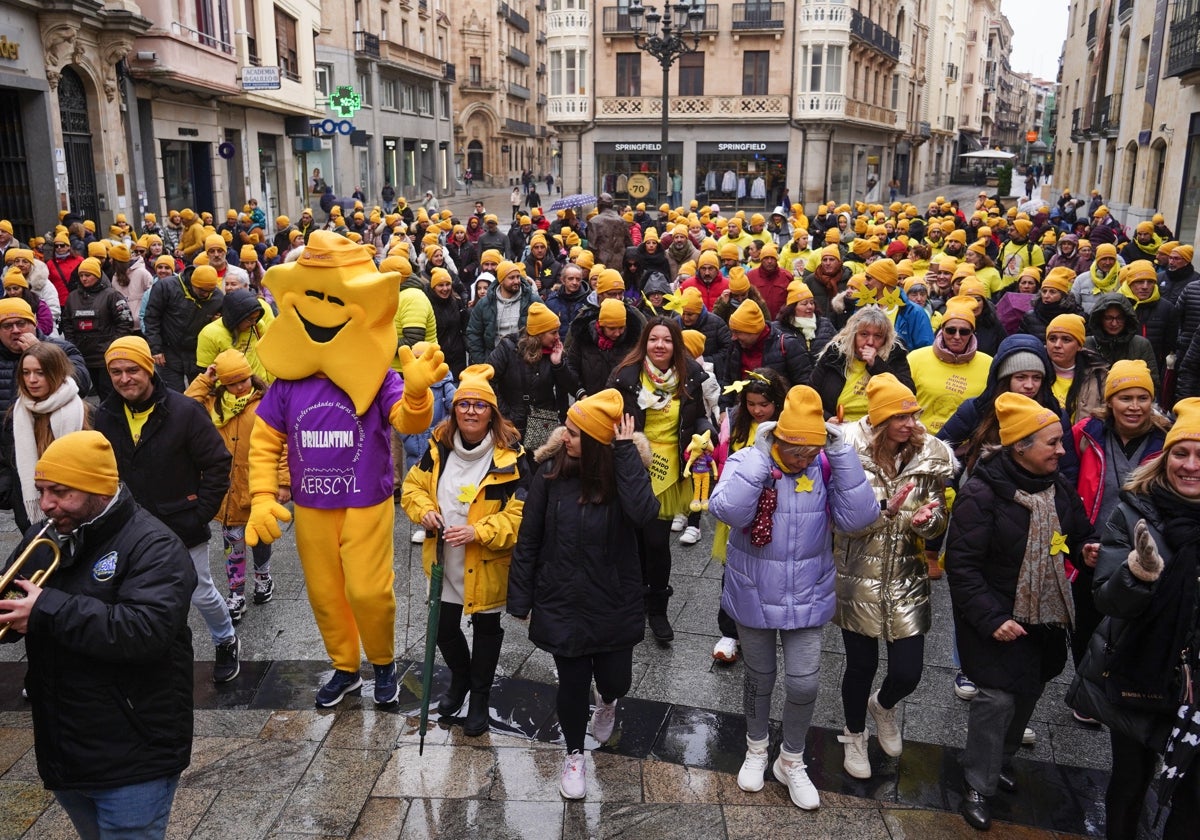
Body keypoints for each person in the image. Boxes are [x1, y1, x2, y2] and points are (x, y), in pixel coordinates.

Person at [245, 232, 448, 709]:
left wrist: (418, 394)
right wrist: (260, 495)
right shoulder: (286, 382)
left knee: (368, 591)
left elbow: (405, 420)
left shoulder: (377, 373)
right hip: (311, 504)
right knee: (325, 593)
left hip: (364, 499)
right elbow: (264, 438)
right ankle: (345, 667)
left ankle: (382, 664)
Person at [0, 431, 196, 840]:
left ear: (97, 490)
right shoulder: (47, 535)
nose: (48, 504)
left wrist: (44, 611)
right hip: (65, 747)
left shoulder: (156, 546)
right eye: (42, 491)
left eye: (60, 491)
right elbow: (15, 607)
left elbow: (145, 631)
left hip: (135, 753)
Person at [709, 385, 877, 809]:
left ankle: (792, 759)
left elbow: (860, 519)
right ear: (778, 436)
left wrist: (840, 453)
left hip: (808, 591)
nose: (802, 459)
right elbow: (727, 511)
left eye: (811, 449)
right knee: (759, 677)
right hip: (754, 590)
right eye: (794, 449)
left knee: (804, 682)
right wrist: (762, 458)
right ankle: (755, 749)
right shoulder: (749, 459)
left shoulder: (824, 466)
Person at [946, 392, 1098, 831]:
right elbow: (963, 566)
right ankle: (977, 782)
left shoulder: (1057, 488)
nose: (1061, 450)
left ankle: (999, 762)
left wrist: (1086, 552)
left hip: (1043, 617)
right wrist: (993, 620)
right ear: (1020, 447)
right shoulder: (980, 493)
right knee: (997, 698)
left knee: (1029, 691)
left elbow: (1078, 534)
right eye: (1051, 443)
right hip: (993, 618)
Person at [508, 389, 657, 798]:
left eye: (573, 433)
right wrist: (520, 598)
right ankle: (574, 754)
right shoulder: (551, 474)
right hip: (562, 599)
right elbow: (530, 537)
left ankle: (607, 702)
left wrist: (625, 453)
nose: (564, 436)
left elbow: (644, 514)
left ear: (594, 442)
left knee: (616, 680)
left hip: (613, 598)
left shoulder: (624, 473)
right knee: (571, 684)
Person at [1084, 398, 1200, 839]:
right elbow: (1108, 602)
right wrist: (1137, 574)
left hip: (1197, 685)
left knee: (1193, 800)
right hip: (1140, 674)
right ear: (1165, 457)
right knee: (1130, 784)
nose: (1190, 466)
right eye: (1181, 453)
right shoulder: (1134, 511)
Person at [95, 336, 239, 684]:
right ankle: (147, 650)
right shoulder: (106, 414)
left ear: (149, 368)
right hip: (129, 526)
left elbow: (218, 463)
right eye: (116, 372)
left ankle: (225, 640)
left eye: (132, 370)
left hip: (181, 521)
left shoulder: (184, 410)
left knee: (200, 590)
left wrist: (199, 513)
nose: (124, 378)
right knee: (133, 592)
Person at [834, 374, 953, 778]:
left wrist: (928, 520)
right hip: (857, 574)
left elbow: (939, 520)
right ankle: (853, 736)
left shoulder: (928, 457)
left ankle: (882, 706)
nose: (912, 424)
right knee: (860, 665)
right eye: (902, 418)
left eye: (915, 415)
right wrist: (884, 511)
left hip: (907, 575)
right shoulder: (848, 454)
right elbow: (841, 523)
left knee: (908, 671)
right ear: (881, 421)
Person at [401, 365, 529, 736]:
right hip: (443, 559)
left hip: (485, 560)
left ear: (492, 412)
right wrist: (423, 510)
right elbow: (413, 489)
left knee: (486, 629)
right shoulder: (437, 448)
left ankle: (479, 696)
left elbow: (522, 515)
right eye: (464, 404)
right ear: (454, 409)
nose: (471, 411)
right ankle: (460, 678)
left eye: (480, 405)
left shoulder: (511, 459)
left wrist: (479, 531)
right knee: (443, 629)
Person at [609, 316, 714, 642]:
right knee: (633, 540)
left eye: (667, 340)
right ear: (645, 342)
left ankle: (657, 608)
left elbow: (699, 419)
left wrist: (703, 436)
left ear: (676, 345)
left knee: (656, 541)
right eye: (654, 339)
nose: (660, 345)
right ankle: (633, 601)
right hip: (633, 464)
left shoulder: (690, 377)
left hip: (670, 469)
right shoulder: (625, 377)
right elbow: (608, 415)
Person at [185, 349, 288, 622]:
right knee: (233, 543)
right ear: (223, 383)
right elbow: (183, 408)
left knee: (261, 535)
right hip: (226, 488)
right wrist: (205, 380)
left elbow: (282, 443)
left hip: (257, 484)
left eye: (243, 379)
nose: (240, 386)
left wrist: (284, 481)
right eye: (232, 382)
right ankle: (236, 591)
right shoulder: (211, 404)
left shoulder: (266, 402)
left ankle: (263, 578)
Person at [710, 367, 789, 662]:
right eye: (751, 404)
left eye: (764, 405)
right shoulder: (736, 423)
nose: (757, 410)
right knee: (733, 572)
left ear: (778, 403)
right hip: (741, 511)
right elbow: (725, 458)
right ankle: (729, 633)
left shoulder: (789, 426)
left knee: (770, 573)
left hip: (776, 512)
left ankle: (763, 628)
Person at [1, 342, 91, 533]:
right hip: (31, 514)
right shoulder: (16, 414)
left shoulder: (83, 413)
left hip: (79, 514)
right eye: (26, 373)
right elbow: (6, 459)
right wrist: (12, 496)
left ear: (55, 372)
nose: (31, 379)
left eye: (40, 372)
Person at [810, 306, 914, 421]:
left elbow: (908, 393)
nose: (870, 342)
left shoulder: (894, 355)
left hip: (879, 428)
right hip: (839, 425)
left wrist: (877, 365)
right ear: (853, 335)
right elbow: (810, 395)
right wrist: (826, 418)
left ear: (885, 339)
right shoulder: (835, 354)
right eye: (864, 334)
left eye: (878, 336)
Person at [489, 301, 570, 447]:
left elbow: (568, 386)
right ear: (539, 333)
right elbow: (488, 379)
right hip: (511, 421)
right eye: (553, 332)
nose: (558, 337)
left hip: (543, 422)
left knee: (539, 464)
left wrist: (559, 365)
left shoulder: (554, 352)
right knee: (513, 461)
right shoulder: (508, 348)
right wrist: (504, 413)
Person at [61, 256, 136, 399]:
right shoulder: (72, 297)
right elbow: (67, 322)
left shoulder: (112, 295)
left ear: (97, 275)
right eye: (81, 275)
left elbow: (125, 322)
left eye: (88, 275)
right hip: (83, 354)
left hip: (106, 356)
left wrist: (113, 345)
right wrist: (72, 344)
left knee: (110, 395)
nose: (84, 279)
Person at [466, 260, 541, 364]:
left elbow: (545, 328)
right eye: (511, 278)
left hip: (524, 361)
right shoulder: (485, 304)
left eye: (518, 277)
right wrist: (483, 361)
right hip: (494, 362)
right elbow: (474, 333)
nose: (516, 281)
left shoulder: (532, 300)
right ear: (501, 280)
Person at [1044, 313, 1109, 423]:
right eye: (1052, 339)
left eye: (1066, 340)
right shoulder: (1037, 373)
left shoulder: (1099, 375)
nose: (1057, 345)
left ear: (1079, 346)